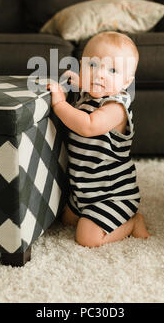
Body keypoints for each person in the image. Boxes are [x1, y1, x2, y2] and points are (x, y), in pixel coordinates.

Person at [47, 31, 151, 247]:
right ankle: (86, 210)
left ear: (126, 82)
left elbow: (88, 125)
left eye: (112, 70)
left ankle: (131, 222)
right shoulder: (91, 94)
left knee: (87, 238)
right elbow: (91, 87)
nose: (99, 74)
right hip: (84, 189)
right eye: (92, 65)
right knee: (66, 220)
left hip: (112, 194)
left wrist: (60, 104)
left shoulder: (115, 107)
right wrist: (81, 83)